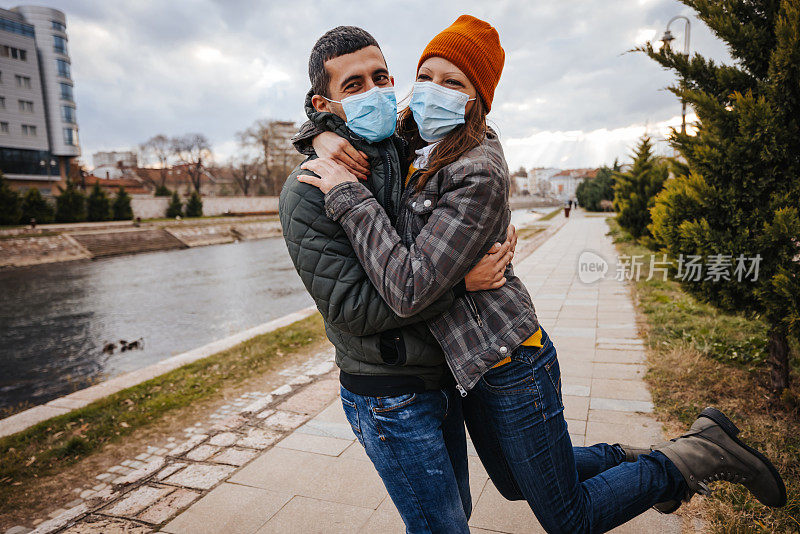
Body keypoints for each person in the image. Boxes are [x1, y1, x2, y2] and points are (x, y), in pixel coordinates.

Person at [297, 15, 786, 533]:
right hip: (470, 367)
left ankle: (685, 461)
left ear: (476, 99)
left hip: (510, 360)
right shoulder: (417, 135)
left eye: (453, 83)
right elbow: (343, 118)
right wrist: (319, 139)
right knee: (513, 483)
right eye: (426, 75)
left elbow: (408, 287)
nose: (432, 91)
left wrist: (345, 194)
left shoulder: (478, 168)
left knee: (568, 518)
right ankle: (634, 457)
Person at [279, 26, 517, 533]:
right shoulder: (307, 192)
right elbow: (351, 308)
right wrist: (459, 286)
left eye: (381, 76)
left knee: (456, 515)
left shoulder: (406, 147)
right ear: (326, 102)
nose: (375, 93)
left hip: (442, 375)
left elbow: (470, 150)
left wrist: (496, 226)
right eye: (354, 86)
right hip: (387, 394)